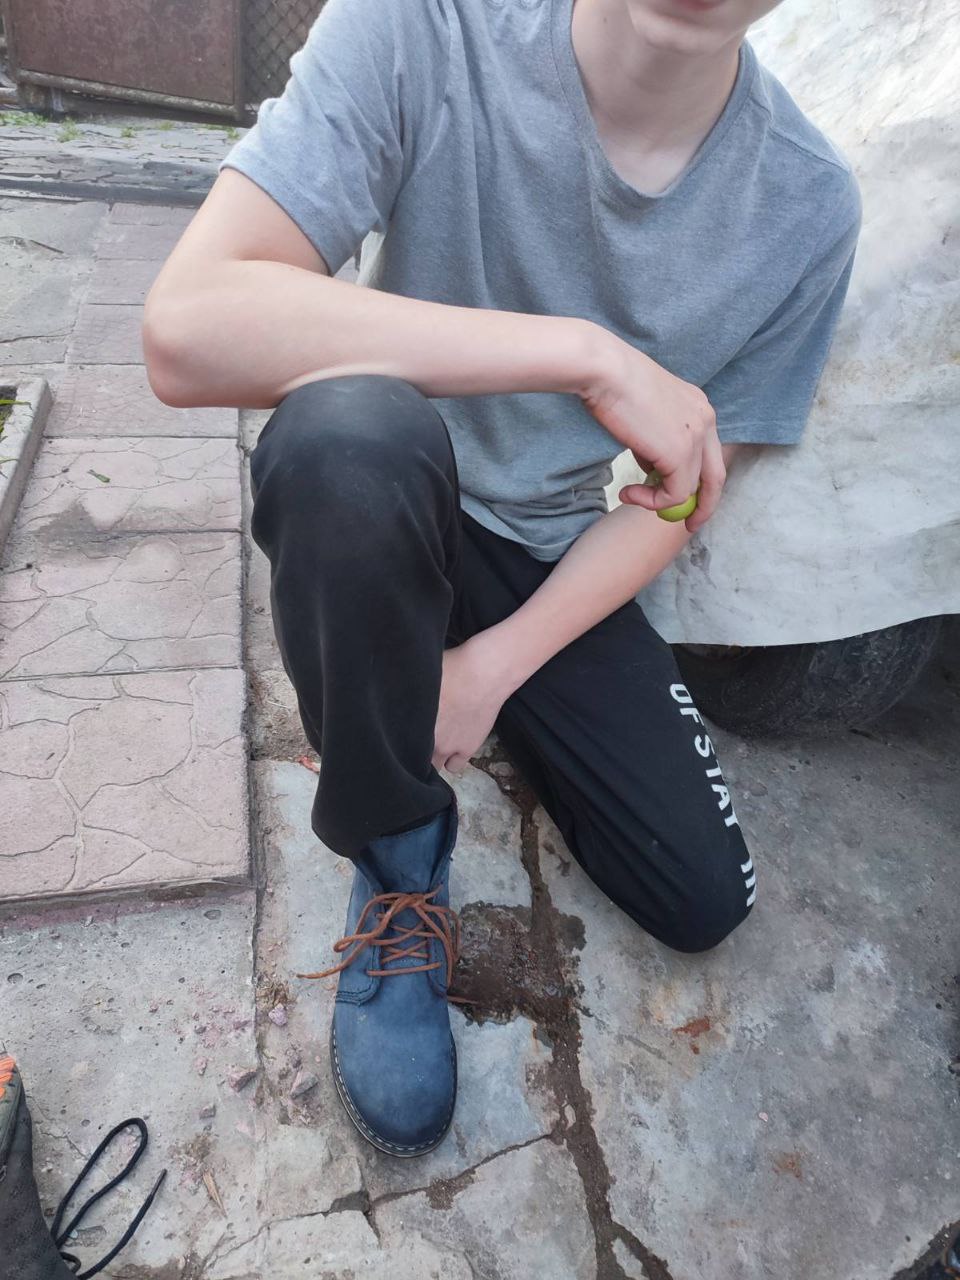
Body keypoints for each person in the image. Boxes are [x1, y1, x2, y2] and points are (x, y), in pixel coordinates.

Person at [143, 0, 860, 1158]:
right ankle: (396, 854)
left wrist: (491, 667)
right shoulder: (426, 28)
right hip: (393, 478)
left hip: (544, 540)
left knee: (700, 892)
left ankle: (429, 660)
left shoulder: (806, 205)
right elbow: (188, 325)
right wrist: (586, 354)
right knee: (342, 441)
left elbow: (681, 494)